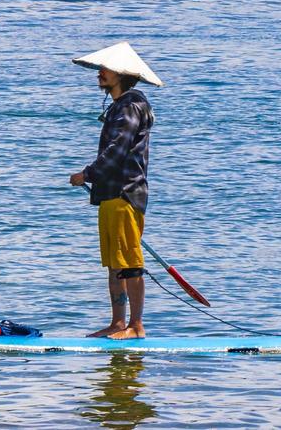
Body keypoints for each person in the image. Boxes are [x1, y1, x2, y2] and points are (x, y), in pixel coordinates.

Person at [68, 41, 163, 339]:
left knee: (130, 264)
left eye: (105, 70)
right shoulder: (118, 106)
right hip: (110, 195)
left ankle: (136, 326)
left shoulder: (132, 105)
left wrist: (87, 174)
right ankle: (117, 323)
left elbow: (117, 150)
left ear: (121, 74)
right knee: (113, 264)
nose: (100, 73)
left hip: (125, 194)